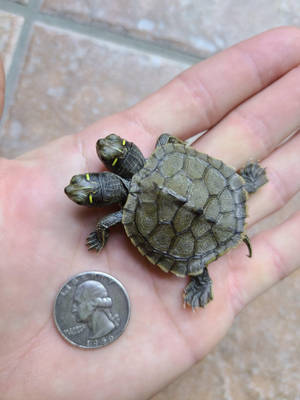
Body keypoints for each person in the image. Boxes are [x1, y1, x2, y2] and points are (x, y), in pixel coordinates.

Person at [0, 27, 300, 400]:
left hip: (184, 218)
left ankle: (203, 268)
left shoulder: (128, 211)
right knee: (205, 198)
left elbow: (113, 219)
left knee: (192, 222)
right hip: (216, 195)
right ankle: (239, 195)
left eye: (114, 152)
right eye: (90, 193)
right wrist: (103, 228)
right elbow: (163, 150)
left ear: (121, 161)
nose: (110, 151)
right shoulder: (164, 151)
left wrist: (101, 231)